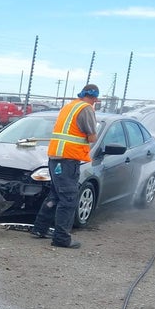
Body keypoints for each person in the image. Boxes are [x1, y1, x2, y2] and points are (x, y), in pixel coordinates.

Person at [30, 84, 100, 248]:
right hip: (68, 158)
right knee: (68, 199)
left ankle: (40, 229)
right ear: (95, 98)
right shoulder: (86, 108)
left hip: (55, 157)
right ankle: (61, 238)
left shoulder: (70, 106)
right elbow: (91, 138)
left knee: (55, 196)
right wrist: (92, 134)